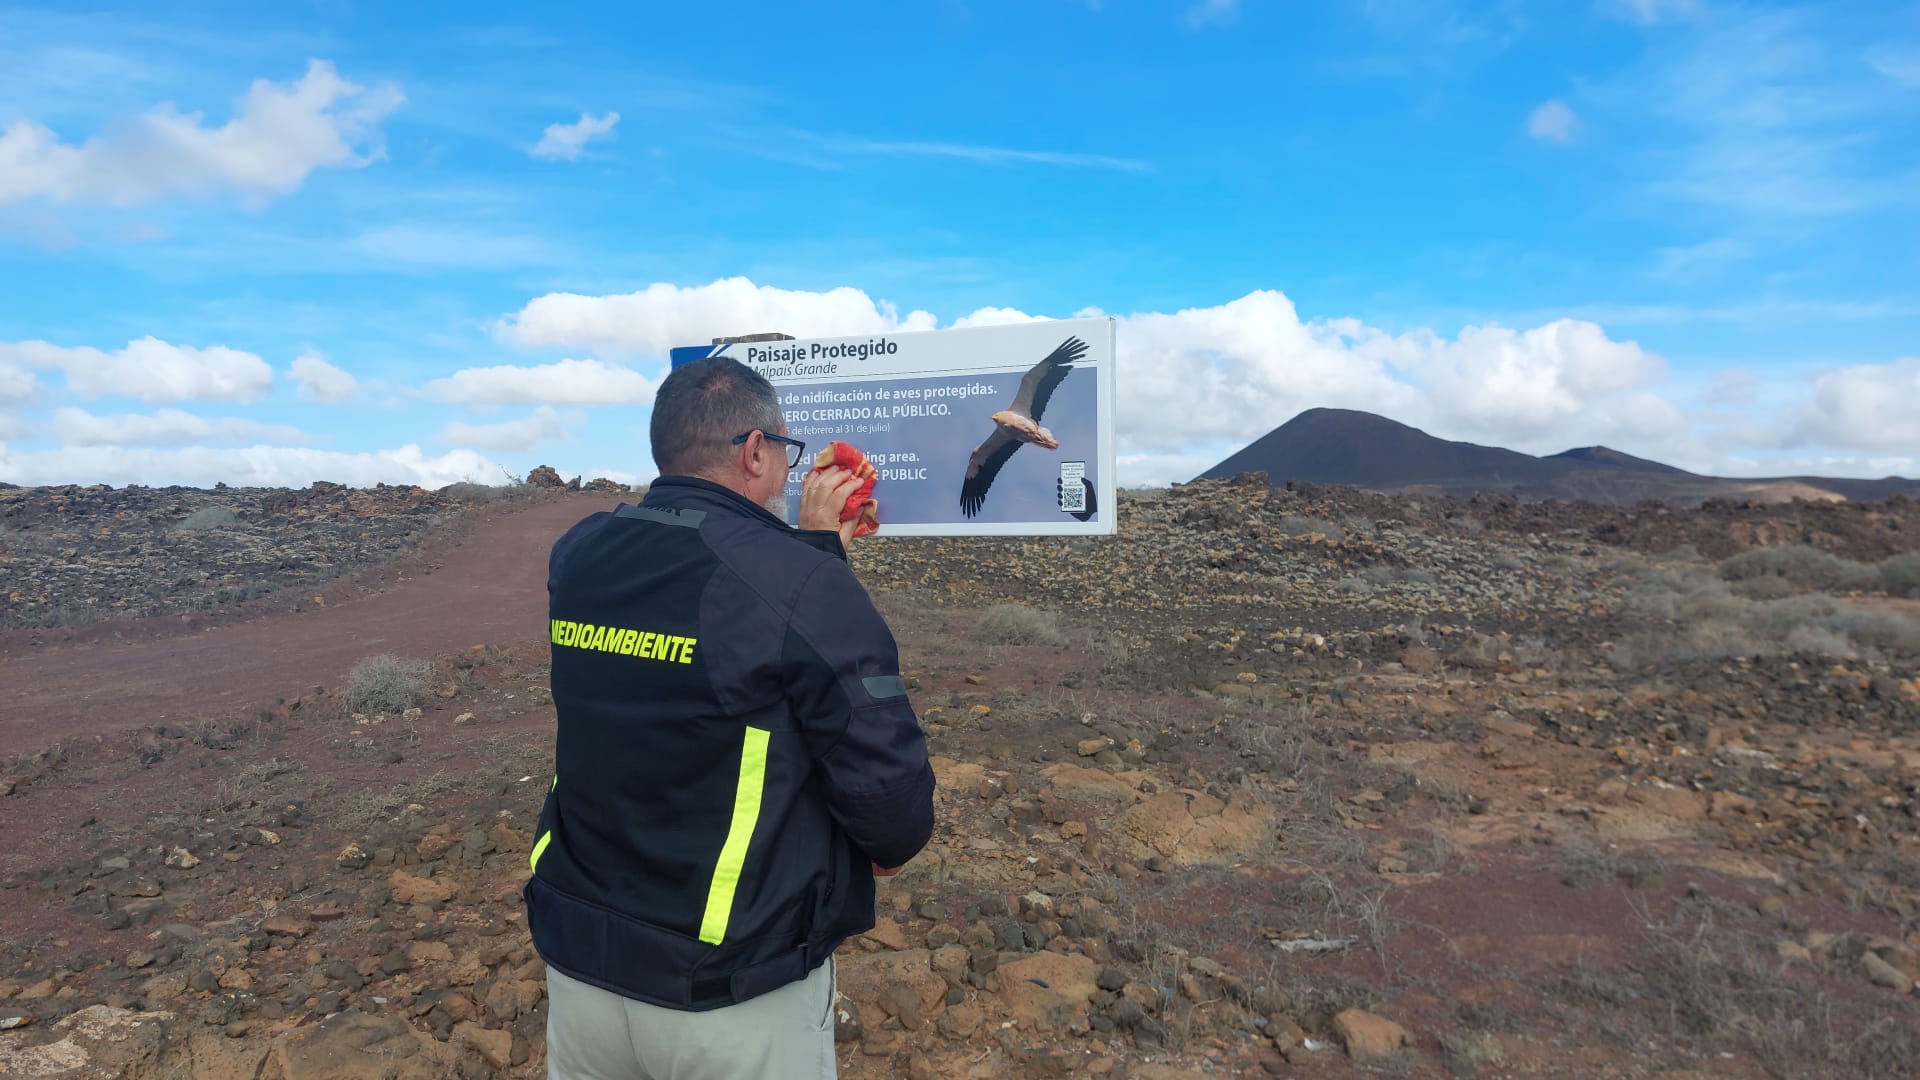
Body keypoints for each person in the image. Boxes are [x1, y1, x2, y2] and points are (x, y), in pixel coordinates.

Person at [526, 356, 936, 1079]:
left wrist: (806, 555)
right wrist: (811, 562)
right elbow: (890, 798)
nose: (785, 468)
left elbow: (703, 646)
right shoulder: (796, 580)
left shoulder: (581, 554)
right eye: (785, 450)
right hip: (729, 986)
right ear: (755, 451)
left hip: (583, 953)